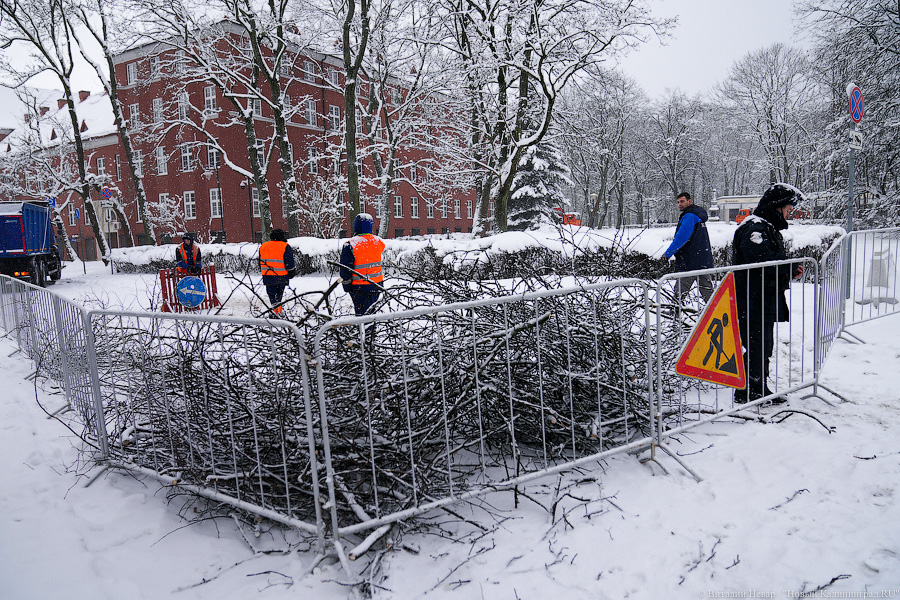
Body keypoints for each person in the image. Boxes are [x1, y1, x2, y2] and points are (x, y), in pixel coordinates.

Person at [732, 183, 805, 404]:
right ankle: (749, 390)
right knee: (756, 344)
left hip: (763, 297)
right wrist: (789, 266)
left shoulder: (765, 227)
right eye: (788, 207)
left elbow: (769, 262)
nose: (790, 212)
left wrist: (789, 271)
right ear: (777, 207)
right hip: (752, 298)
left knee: (763, 345)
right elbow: (761, 260)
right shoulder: (756, 228)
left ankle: (758, 387)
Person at [662, 192, 714, 303]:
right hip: (702, 258)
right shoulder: (697, 215)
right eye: (678, 202)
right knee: (707, 292)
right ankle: (718, 313)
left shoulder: (689, 216)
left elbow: (681, 238)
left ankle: (674, 313)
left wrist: (668, 254)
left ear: (689, 201)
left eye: (682, 201)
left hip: (690, 260)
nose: (679, 204)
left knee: (680, 292)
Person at [340, 213, 386, 316]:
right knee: (372, 313)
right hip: (377, 285)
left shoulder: (350, 245)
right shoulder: (378, 242)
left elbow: (345, 270)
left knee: (362, 316)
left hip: (359, 288)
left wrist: (347, 287)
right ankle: (372, 331)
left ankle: (365, 331)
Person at [259, 228, 296, 316]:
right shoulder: (285, 246)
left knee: (271, 294)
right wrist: (291, 271)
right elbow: (289, 261)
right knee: (279, 294)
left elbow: (260, 261)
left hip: (267, 275)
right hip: (281, 275)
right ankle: (277, 311)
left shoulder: (264, 245)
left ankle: (275, 310)